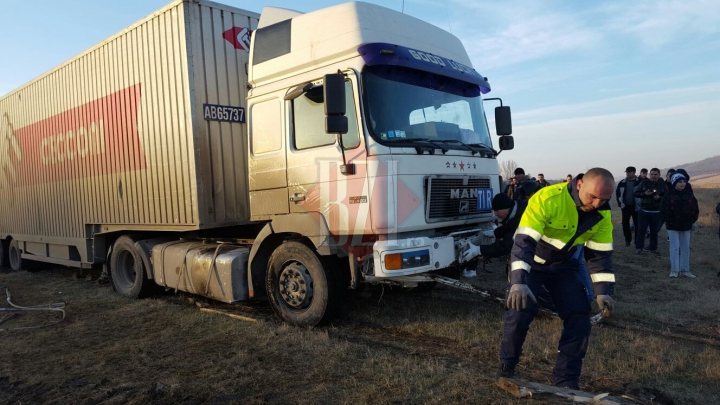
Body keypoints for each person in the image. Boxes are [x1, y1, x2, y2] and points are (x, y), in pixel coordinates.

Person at [497, 168, 616, 389]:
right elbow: (523, 241)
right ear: (579, 184)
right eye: (594, 197)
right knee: (519, 312)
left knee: (579, 318)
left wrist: (603, 291)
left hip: (564, 267)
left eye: (605, 199)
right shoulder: (548, 198)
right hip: (532, 264)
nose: (598, 203)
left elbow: (600, 255)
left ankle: (566, 381)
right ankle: (507, 364)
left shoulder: (603, 213)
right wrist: (518, 281)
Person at [660, 173, 699, 278]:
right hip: (673, 227)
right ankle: (674, 270)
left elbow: (695, 209)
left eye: (684, 182)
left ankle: (685, 270)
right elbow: (664, 211)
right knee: (674, 248)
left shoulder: (690, 195)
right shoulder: (668, 196)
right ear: (674, 183)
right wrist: (670, 221)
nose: (682, 184)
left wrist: (692, 220)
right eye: (679, 182)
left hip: (686, 226)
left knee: (685, 248)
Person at [633, 168, 668, 255]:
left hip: (656, 212)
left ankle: (653, 248)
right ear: (649, 175)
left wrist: (659, 198)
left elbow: (667, 197)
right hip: (644, 210)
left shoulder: (663, 185)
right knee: (641, 230)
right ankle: (639, 248)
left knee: (654, 231)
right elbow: (635, 193)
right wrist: (644, 194)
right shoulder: (644, 183)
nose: (653, 176)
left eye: (655, 174)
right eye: (652, 174)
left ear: (659, 175)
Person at [616, 166, 640, 247]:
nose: (628, 174)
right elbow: (618, 193)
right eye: (627, 172)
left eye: (629, 172)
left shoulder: (640, 182)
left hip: (637, 207)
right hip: (626, 207)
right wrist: (620, 203)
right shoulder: (622, 183)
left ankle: (637, 241)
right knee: (625, 224)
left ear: (634, 172)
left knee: (638, 225)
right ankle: (627, 240)